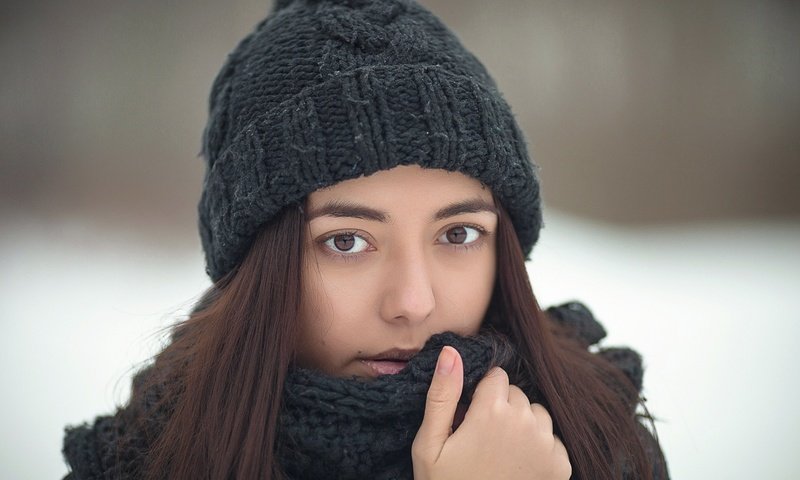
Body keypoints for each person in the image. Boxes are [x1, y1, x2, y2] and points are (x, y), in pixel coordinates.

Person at [62, 0, 669, 478]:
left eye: (458, 233)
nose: (412, 302)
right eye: (346, 242)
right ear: (256, 262)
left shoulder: (595, 444)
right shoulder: (150, 459)